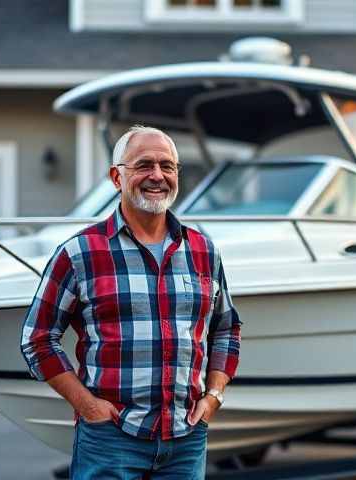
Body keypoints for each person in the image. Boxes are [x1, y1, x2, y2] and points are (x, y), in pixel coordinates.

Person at [20, 125, 242, 479]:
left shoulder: (203, 250)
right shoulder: (80, 253)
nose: (157, 176)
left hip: (186, 439)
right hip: (110, 439)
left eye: (167, 166)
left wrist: (214, 395)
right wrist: (86, 405)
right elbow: (37, 338)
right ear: (116, 177)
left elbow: (226, 329)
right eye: (144, 165)